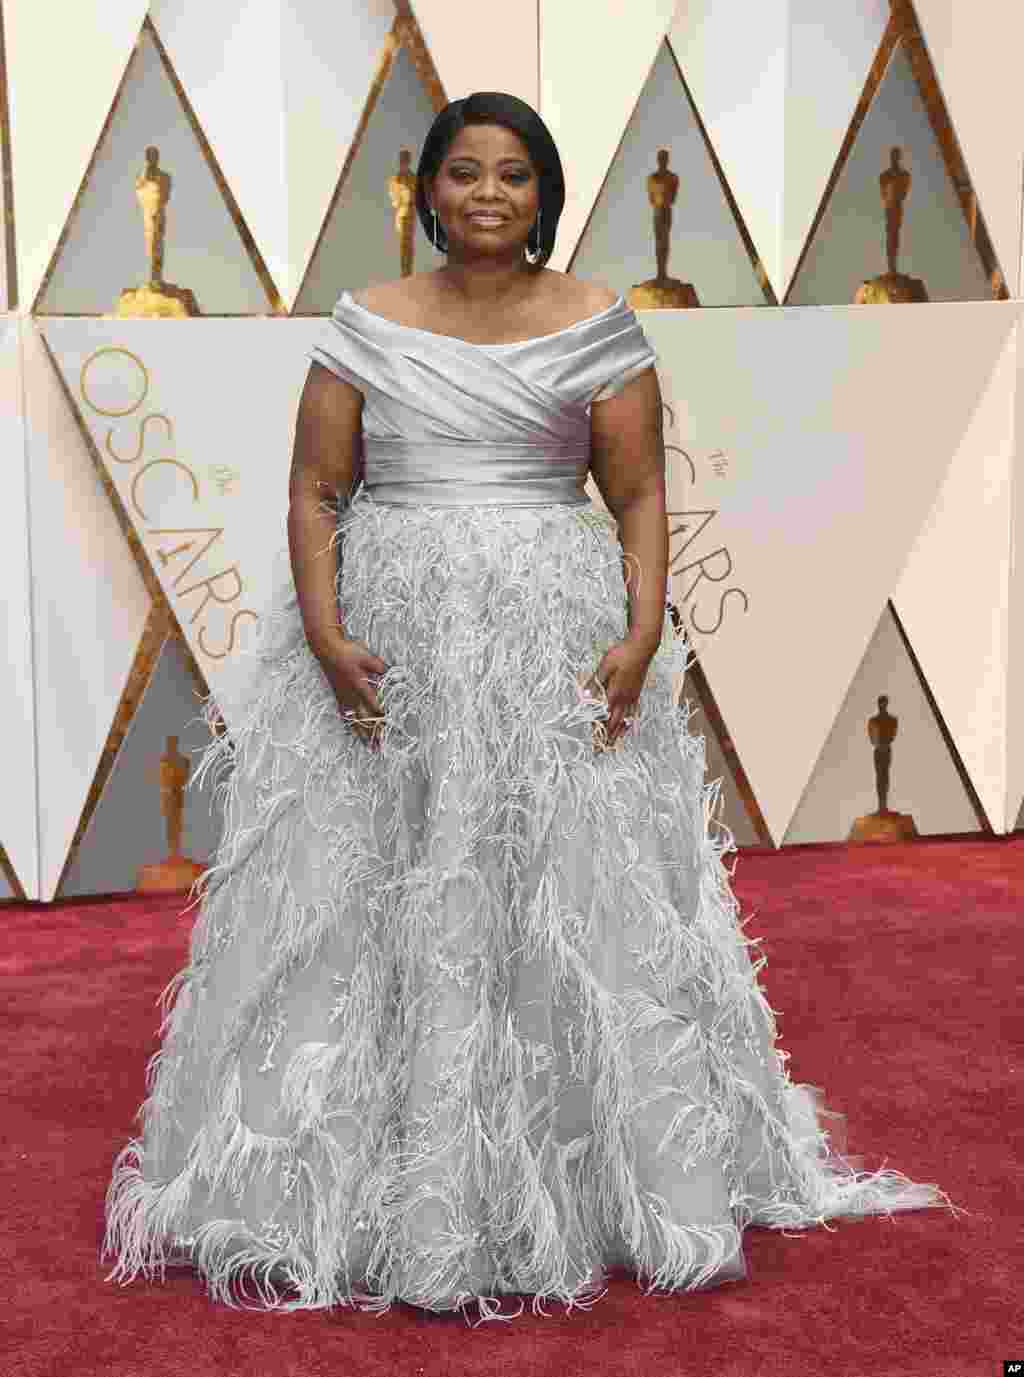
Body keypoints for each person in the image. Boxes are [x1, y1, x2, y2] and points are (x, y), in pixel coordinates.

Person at [101, 92, 958, 1326]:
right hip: (393, 645)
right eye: (462, 172)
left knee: (568, 885)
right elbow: (313, 486)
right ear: (428, 192)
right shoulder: (362, 325)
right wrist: (332, 633)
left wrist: (642, 627)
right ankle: (346, 1182)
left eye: (512, 173)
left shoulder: (601, 326)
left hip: (550, 642)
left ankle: (592, 1180)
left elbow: (640, 492)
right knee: (375, 886)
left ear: (543, 192)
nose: (487, 193)